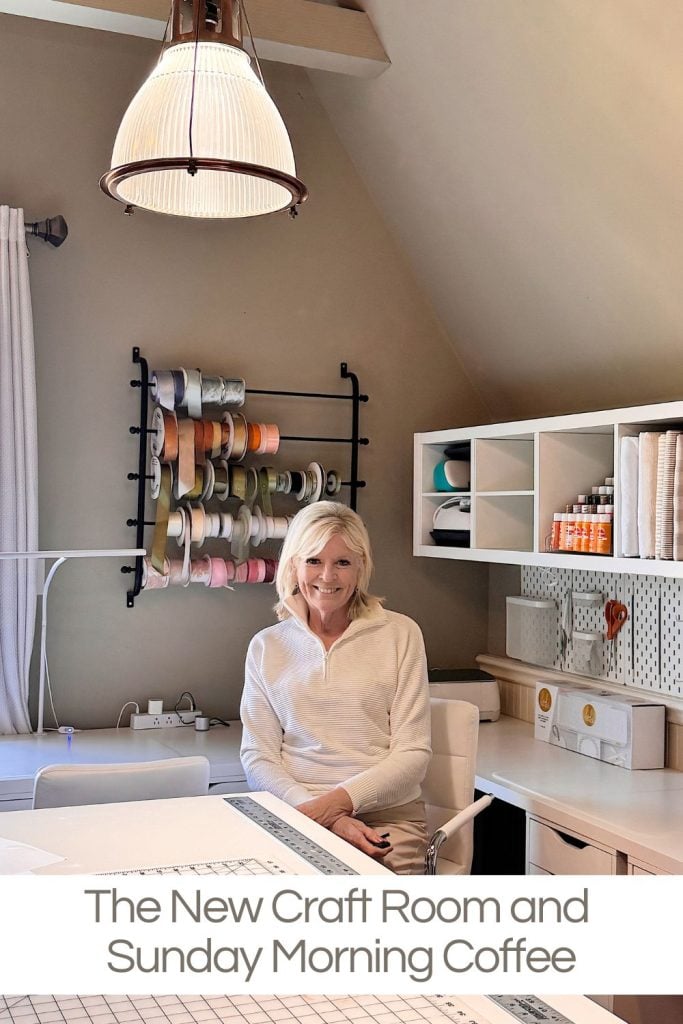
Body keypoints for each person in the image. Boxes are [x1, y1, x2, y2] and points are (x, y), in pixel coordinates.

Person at [239, 501, 431, 874]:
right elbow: (257, 757)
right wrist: (328, 818)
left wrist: (334, 807)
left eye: (342, 562)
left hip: (385, 819)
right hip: (296, 811)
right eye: (313, 560)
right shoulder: (267, 646)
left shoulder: (401, 635)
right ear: (293, 565)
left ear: (361, 567)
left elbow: (413, 755)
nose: (327, 576)